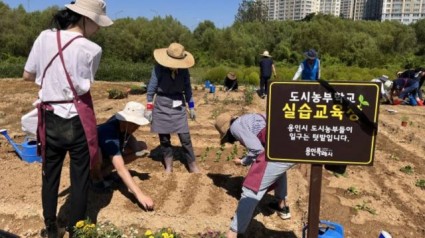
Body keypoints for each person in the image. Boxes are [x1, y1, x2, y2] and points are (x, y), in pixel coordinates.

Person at [22, 0, 113, 237]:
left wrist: (50, 82)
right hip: (77, 120)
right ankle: (76, 230)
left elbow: (27, 75)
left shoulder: (44, 37)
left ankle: (51, 229)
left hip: (51, 117)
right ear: (85, 18)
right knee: (79, 178)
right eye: (97, 22)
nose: (99, 28)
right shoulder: (92, 50)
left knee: (50, 175)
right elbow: (83, 87)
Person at [214, 113, 295, 238]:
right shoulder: (249, 117)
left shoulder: (236, 127)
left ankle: (232, 233)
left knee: (251, 188)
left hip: (278, 148)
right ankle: (282, 207)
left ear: (227, 131)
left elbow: (257, 150)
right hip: (292, 145)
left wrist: (243, 161)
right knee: (278, 171)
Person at [145, 42, 200, 173]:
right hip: (162, 103)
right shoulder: (158, 69)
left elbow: (188, 90)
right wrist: (148, 108)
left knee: (185, 137)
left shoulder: (184, 70)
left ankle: (192, 165)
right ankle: (168, 165)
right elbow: (151, 89)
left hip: (178, 104)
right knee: (164, 138)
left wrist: (191, 106)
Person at [91, 101, 154, 210]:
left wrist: (137, 152)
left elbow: (128, 136)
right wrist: (139, 195)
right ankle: (96, 179)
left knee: (141, 146)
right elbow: (120, 168)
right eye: (135, 124)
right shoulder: (109, 132)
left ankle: (106, 171)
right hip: (93, 156)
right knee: (96, 154)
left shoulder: (123, 124)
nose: (137, 127)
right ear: (126, 121)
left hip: (109, 152)